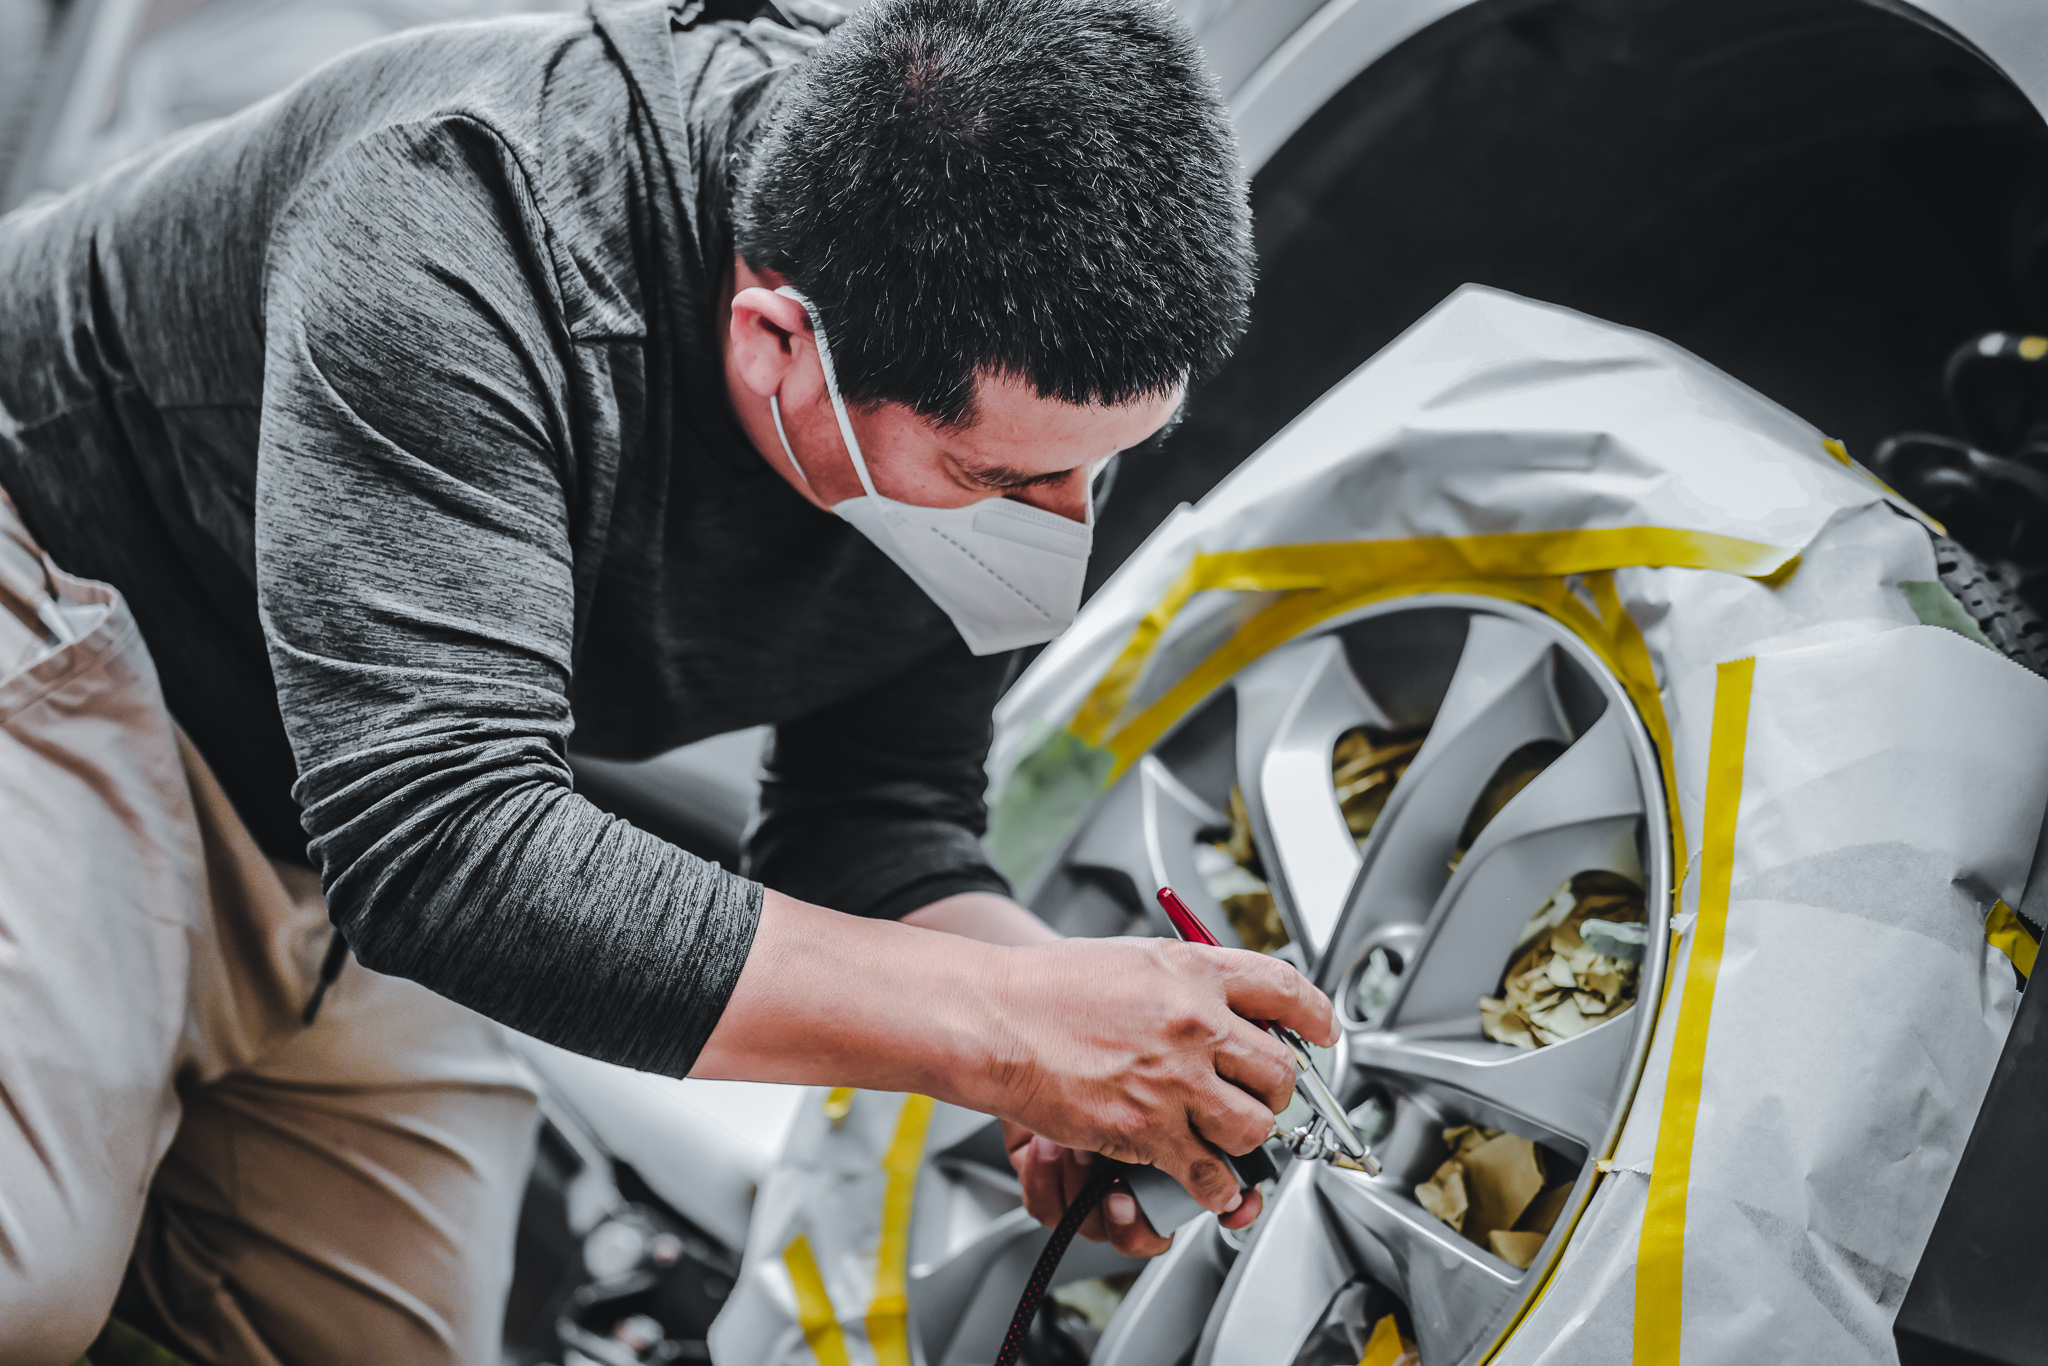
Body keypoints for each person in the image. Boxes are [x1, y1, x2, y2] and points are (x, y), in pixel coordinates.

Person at [0, 0, 1337, 1361]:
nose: (1062, 523)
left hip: (331, 815)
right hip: (68, 630)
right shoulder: (455, 217)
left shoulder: (939, 347)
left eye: (1100, 465)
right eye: (1006, 480)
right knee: (19, 1271)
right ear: (775, 344)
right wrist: (1008, 1030)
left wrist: (1072, 1033)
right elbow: (445, 848)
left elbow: (873, 817)